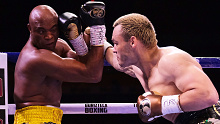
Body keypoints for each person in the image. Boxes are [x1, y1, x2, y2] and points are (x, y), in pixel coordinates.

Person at [104, 13, 220, 124]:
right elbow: (114, 59)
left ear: (133, 42)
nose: (114, 49)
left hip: (211, 118)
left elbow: (208, 95)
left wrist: (162, 105)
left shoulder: (171, 60)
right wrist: (97, 34)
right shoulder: (136, 66)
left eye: (116, 43)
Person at [14, 2, 106, 124]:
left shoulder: (59, 45)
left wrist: (77, 40)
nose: (49, 36)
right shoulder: (35, 58)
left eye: (53, 29)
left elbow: (83, 63)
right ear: (30, 29)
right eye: (41, 31)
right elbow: (93, 75)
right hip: (32, 119)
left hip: (51, 118)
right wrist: (97, 29)